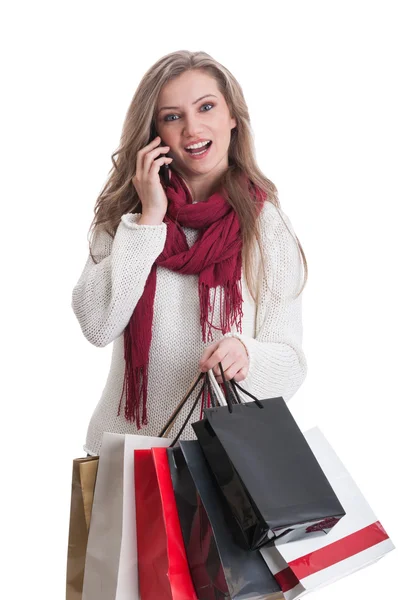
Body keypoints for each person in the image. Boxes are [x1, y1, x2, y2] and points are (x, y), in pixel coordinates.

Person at [71, 50, 308, 458]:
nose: (192, 128)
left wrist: (246, 354)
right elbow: (97, 325)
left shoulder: (267, 226)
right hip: (126, 457)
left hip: (227, 466)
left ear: (232, 116)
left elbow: (291, 364)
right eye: (172, 116)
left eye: (206, 107)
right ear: (155, 133)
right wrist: (150, 219)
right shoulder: (125, 219)